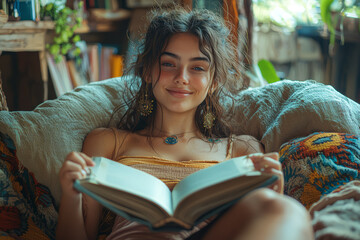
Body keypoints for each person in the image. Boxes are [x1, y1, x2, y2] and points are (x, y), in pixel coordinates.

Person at [56, 7, 314, 240]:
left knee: (283, 208)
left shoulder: (241, 150)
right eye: (168, 64)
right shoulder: (107, 142)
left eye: (198, 68)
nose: (182, 78)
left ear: (213, 81)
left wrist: (273, 191)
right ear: (147, 70)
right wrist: (71, 193)